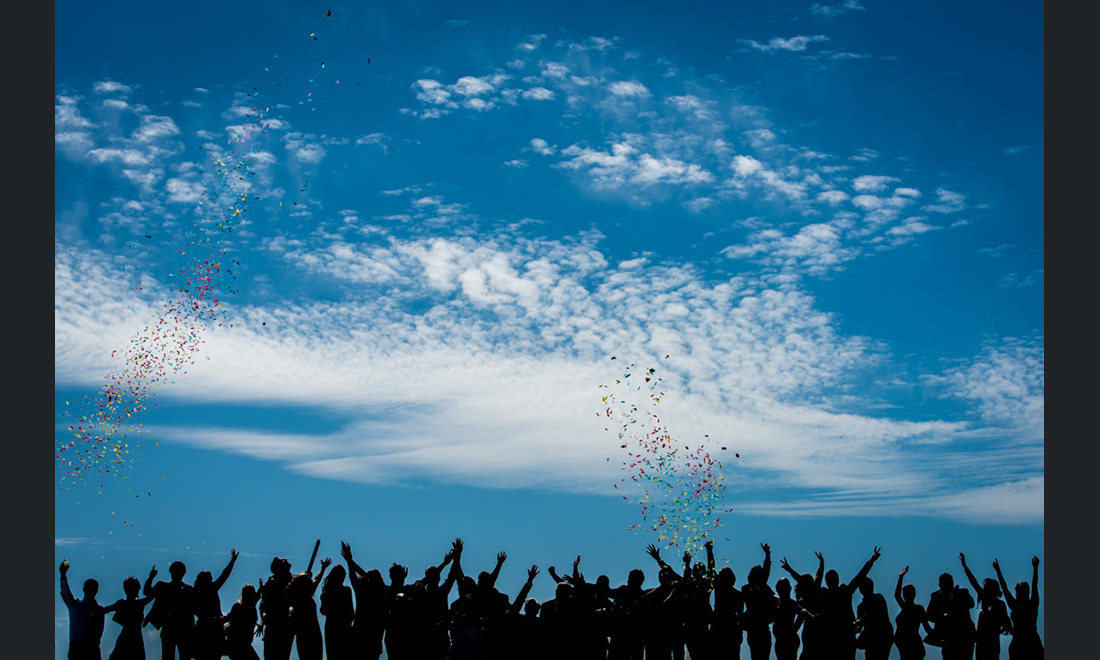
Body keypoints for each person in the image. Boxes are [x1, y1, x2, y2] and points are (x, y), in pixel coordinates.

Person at [960, 553, 1012, 660]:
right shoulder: (985, 600)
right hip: (981, 642)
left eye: (987, 588)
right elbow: (973, 582)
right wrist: (964, 566)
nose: (984, 590)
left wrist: (998, 571)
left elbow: (1006, 624)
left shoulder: (999, 604)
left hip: (991, 642)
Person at [192, 549, 239, 660]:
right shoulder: (212, 589)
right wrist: (232, 562)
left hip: (204, 627)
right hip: (214, 627)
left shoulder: (195, 593)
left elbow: (224, 575)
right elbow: (224, 575)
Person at [144, 561, 196, 660]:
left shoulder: (164, 587)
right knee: (180, 656)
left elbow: (147, 592)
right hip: (180, 629)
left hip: (175, 628)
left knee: (171, 656)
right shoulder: (187, 590)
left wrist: (151, 577)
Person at [993, 556, 1043, 660]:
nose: (1017, 593)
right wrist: (998, 571)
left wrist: (1035, 568)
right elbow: (1004, 588)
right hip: (1018, 643)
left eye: (1020, 591)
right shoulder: (1014, 604)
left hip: (1031, 642)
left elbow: (1035, 585)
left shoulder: (1032, 604)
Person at [60, 560, 107, 660]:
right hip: (83, 648)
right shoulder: (77, 605)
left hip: (87, 648)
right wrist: (63, 575)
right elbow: (65, 591)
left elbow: (65, 592)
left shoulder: (77, 606)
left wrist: (63, 574)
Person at [925, 571, 976, 660]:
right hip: (948, 637)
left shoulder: (962, 593)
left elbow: (971, 604)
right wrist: (941, 617)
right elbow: (929, 615)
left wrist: (956, 598)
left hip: (964, 636)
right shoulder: (936, 597)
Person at [101, 576, 154, 660]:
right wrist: (151, 578)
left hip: (131, 640)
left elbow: (106, 609)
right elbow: (106, 610)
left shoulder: (132, 604)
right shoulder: (135, 604)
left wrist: (151, 577)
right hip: (132, 640)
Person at [287, 557, 331, 660]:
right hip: (308, 636)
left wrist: (322, 568)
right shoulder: (300, 601)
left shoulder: (299, 599)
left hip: (310, 635)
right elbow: (316, 580)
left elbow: (316, 579)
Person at [740, 543, 777, 660]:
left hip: (760, 627)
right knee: (756, 655)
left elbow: (766, 572)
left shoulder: (760, 588)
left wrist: (767, 556)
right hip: (755, 628)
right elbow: (765, 572)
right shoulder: (747, 589)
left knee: (761, 655)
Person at [894, 566, 933, 660]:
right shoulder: (905, 607)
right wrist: (900, 578)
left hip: (913, 646)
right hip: (904, 647)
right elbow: (897, 595)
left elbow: (927, 627)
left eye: (908, 592)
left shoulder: (918, 609)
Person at [258, 557, 294, 660]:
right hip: (277, 626)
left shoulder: (291, 579)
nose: (286, 559)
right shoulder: (273, 583)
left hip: (284, 627)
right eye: (282, 560)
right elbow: (264, 605)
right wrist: (263, 620)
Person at [319, 563, 354, 660]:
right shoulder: (346, 590)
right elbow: (351, 611)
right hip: (343, 627)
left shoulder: (327, 591)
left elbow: (323, 611)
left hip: (332, 627)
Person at [853, 576, 893, 660]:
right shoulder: (861, 606)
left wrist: (858, 622)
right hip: (873, 639)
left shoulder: (878, 598)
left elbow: (872, 612)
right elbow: (859, 627)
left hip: (881, 637)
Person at [223, 584, 262, 660]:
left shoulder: (250, 606)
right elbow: (231, 618)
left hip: (241, 644)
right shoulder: (240, 607)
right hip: (238, 644)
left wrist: (260, 590)